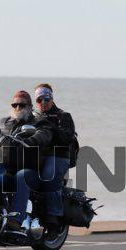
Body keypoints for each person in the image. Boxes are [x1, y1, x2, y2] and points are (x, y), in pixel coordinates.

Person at [0, 90, 52, 231]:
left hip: (31, 172)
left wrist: (31, 140)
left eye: (22, 105)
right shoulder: (5, 123)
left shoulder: (39, 123)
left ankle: (16, 220)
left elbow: (44, 135)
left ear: (30, 106)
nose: (18, 108)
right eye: (15, 105)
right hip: (7, 170)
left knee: (22, 175)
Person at [34, 83, 76, 238]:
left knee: (48, 176)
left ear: (51, 98)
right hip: (37, 157)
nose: (43, 102)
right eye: (39, 100)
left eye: (46, 98)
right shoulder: (33, 117)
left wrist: (50, 128)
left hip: (58, 156)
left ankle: (53, 218)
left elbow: (67, 138)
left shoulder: (63, 116)